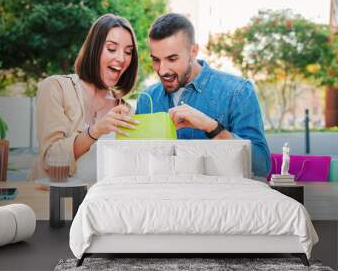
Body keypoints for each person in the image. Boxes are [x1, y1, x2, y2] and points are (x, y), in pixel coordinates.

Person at [136, 13, 271, 177]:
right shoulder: (147, 99)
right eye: (156, 60)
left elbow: (261, 165)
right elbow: (137, 164)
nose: (162, 70)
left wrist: (212, 128)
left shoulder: (238, 91)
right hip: (161, 198)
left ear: (193, 52)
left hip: (219, 200)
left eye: (172, 59)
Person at [32, 14, 139, 181]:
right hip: (56, 202)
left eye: (128, 52)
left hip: (103, 204)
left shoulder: (127, 112)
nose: (122, 58)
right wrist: (95, 131)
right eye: (111, 48)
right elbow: (50, 159)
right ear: (94, 49)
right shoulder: (56, 88)